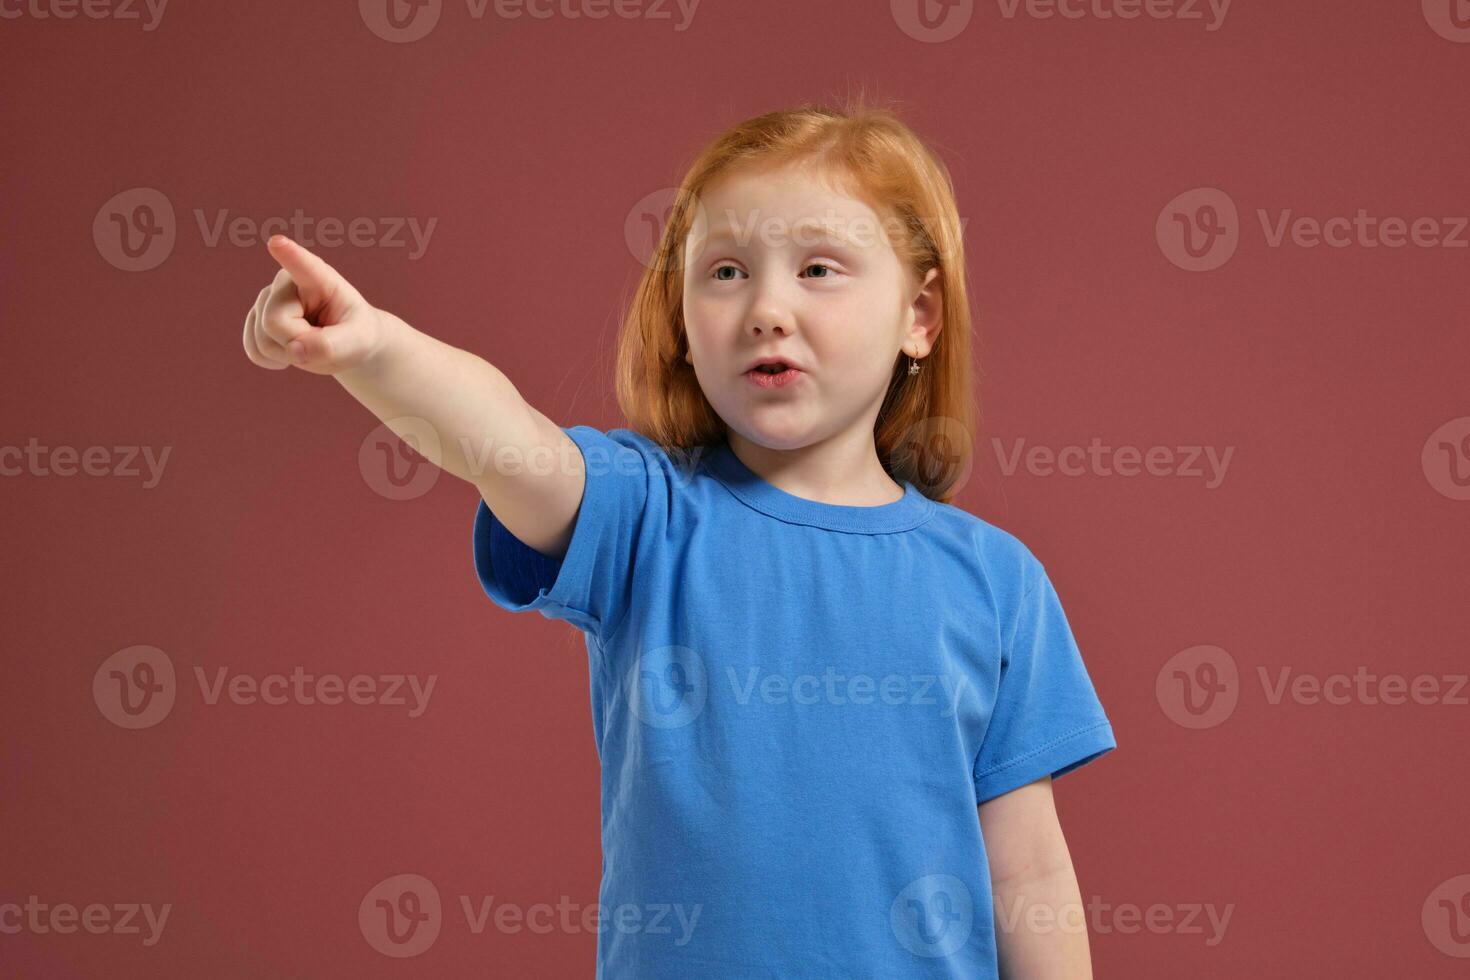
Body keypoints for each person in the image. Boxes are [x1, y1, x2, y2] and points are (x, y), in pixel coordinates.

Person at [242, 98, 1118, 979]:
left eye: (818, 268)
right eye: (727, 272)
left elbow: (1029, 871)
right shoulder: (645, 514)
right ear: (685, 327)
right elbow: (502, 439)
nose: (768, 308)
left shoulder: (996, 581)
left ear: (918, 319)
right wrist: (375, 350)